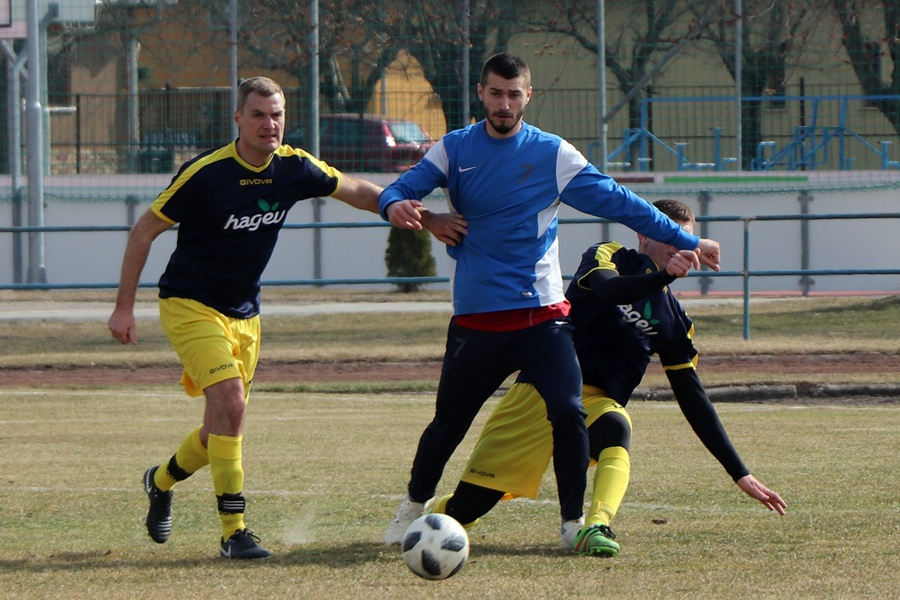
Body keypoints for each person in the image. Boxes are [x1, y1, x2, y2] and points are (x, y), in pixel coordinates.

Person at [107, 76, 462, 560]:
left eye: (276, 115)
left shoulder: (293, 166)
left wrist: (407, 209)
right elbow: (144, 230)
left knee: (219, 427)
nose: (268, 124)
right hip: (190, 305)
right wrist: (124, 307)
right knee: (232, 404)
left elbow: (356, 189)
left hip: (245, 314)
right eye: (257, 115)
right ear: (238, 119)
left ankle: (161, 480)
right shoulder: (206, 173)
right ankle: (234, 532)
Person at [380, 52, 723, 547]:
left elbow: (622, 202)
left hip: (543, 316)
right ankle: (412, 507)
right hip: (478, 319)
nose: (504, 103)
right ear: (480, 93)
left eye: (513, 94)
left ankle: (571, 525)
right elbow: (398, 190)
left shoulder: (554, 154)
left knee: (567, 410)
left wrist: (689, 241)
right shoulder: (454, 148)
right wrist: (409, 210)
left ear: (528, 96)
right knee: (448, 427)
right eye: (495, 93)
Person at [432, 199, 787, 556]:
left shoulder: (675, 323)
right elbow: (609, 291)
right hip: (540, 393)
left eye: (685, 240)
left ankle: (597, 525)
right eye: (669, 236)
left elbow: (692, 398)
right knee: (467, 507)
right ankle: (435, 514)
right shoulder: (609, 255)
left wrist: (739, 472)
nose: (678, 246)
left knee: (617, 426)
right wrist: (663, 276)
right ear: (644, 234)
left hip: (596, 404)